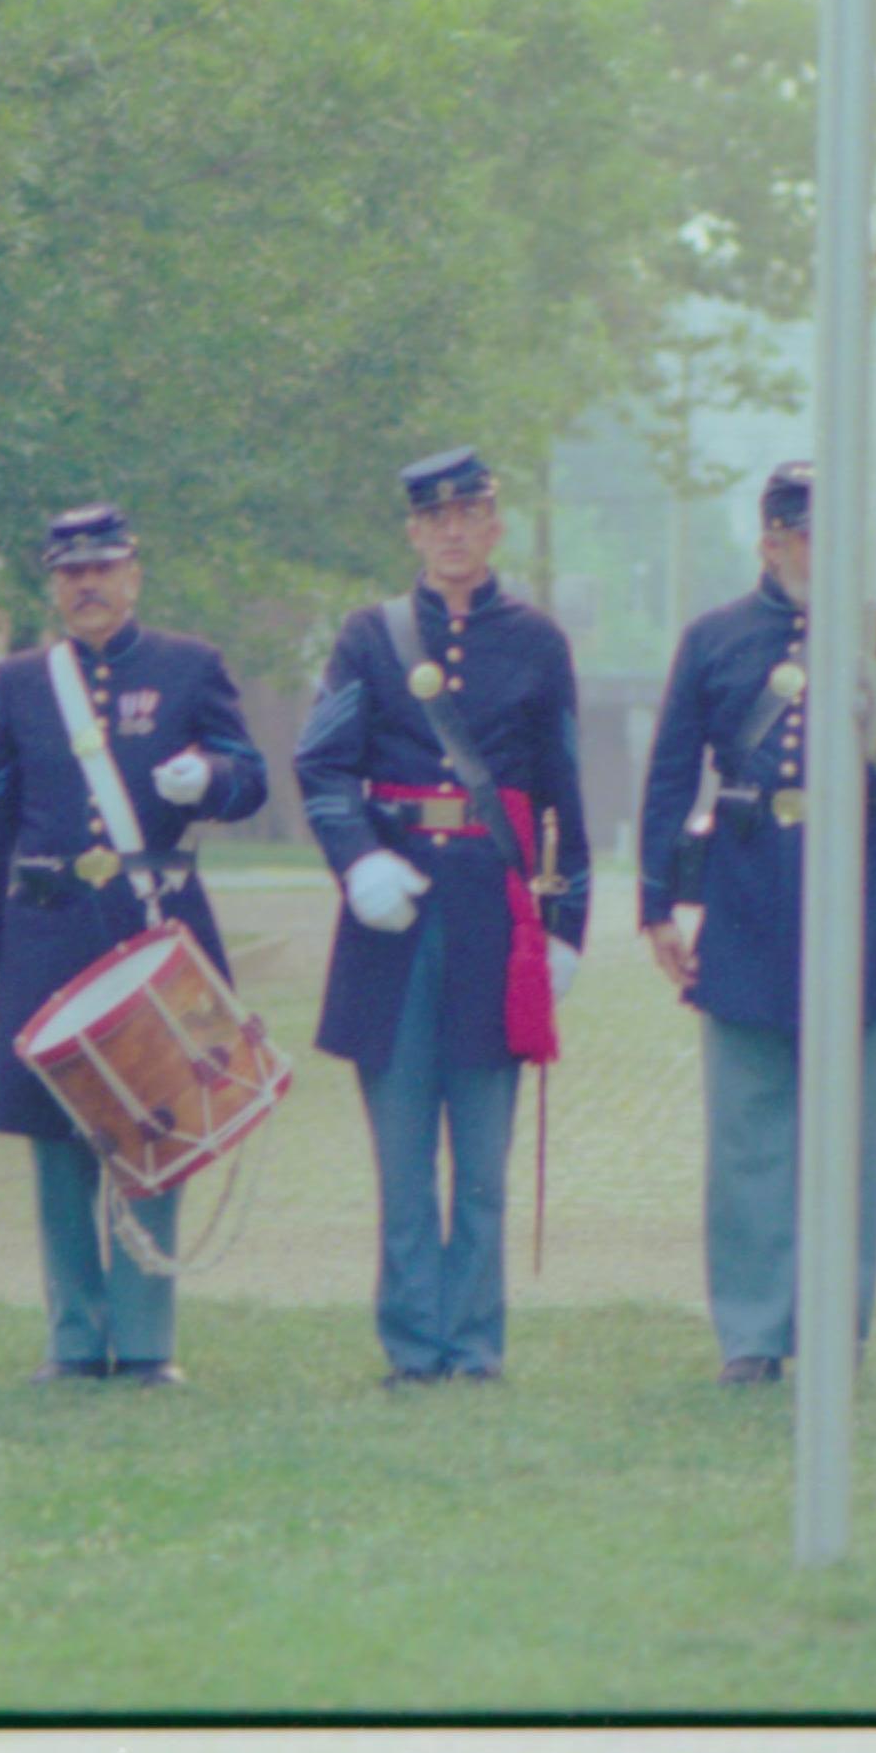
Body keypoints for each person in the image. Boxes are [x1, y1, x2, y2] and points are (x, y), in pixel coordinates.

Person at [638, 461, 876, 1385]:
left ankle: (831, 1327)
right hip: (746, 898)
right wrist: (658, 904)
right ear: (771, 541)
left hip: (862, 897)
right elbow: (668, 776)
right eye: (812, 533)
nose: (830, 551)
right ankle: (748, 1329)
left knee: (846, 1137)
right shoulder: (713, 639)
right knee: (746, 1132)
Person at [0, 502, 269, 1388]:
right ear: (53, 583)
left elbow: (251, 779)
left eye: (103, 568)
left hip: (151, 924)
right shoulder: (21, 680)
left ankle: (145, 1341)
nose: (87, 585)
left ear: (133, 574)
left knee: (156, 1128)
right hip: (47, 928)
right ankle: (72, 1337)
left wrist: (208, 776)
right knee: (55, 1137)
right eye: (70, 572)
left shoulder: (188, 666)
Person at [295, 448, 590, 1387]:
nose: (453, 531)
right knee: (402, 1156)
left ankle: (475, 1344)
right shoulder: (368, 637)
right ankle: (412, 1346)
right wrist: (358, 862)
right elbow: (322, 764)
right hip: (394, 918)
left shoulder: (537, 642)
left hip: (494, 922)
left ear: (495, 525)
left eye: (470, 513)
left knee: (484, 1162)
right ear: (414, 532)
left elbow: (561, 794)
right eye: (435, 518)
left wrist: (566, 925)